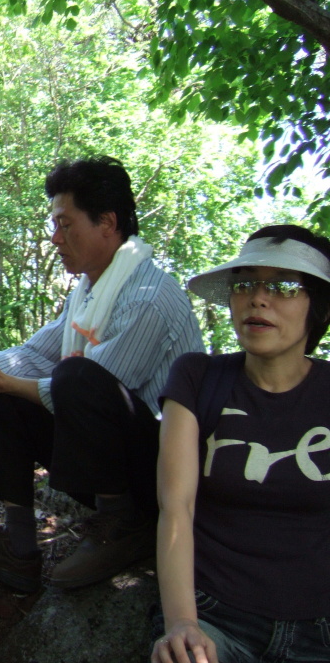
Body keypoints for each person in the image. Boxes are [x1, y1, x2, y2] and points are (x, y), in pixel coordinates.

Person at [0, 156, 203, 593]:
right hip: (117, 455)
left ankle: (124, 524)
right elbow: (37, 352)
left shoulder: (150, 295)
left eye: (65, 224)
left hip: (164, 475)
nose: (56, 238)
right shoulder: (91, 290)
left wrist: (3, 380)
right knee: (9, 399)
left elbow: (89, 389)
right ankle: (17, 548)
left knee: (76, 376)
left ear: (107, 223)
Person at [151, 225, 330, 663]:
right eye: (245, 283)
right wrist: (182, 624)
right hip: (216, 617)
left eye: (284, 286)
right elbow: (177, 506)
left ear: (318, 307)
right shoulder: (198, 378)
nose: (258, 298)